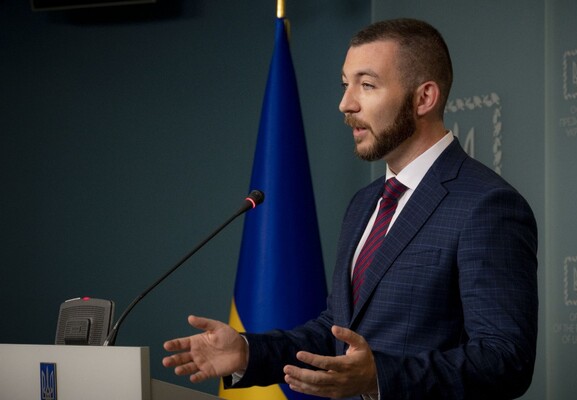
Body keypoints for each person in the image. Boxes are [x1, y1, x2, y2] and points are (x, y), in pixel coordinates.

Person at [162, 18, 538, 399]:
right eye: (346, 85)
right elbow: (336, 332)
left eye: (367, 85)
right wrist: (248, 353)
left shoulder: (487, 206)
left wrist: (379, 378)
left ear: (424, 98)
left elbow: (505, 360)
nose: (346, 104)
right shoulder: (364, 203)